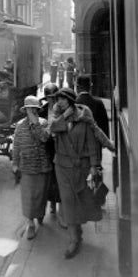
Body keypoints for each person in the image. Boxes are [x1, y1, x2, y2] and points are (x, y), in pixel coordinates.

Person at [50, 87, 102, 259]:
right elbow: (52, 129)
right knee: (68, 202)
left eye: (63, 99)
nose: (59, 102)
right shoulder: (58, 117)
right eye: (57, 99)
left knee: (81, 200)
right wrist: (64, 116)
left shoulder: (83, 117)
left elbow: (92, 143)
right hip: (62, 167)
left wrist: (94, 165)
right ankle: (73, 240)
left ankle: (78, 231)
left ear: (71, 100)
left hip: (81, 166)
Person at [12, 95, 53, 240]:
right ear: (25, 110)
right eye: (30, 109)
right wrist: (15, 164)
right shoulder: (19, 126)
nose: (32, 111)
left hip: (43, 167)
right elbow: (16, 146)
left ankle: (40, 214)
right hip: (27, 167)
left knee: (41, 196)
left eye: (35, 109)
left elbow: (44, 138)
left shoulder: (44, 123)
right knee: (28, 197)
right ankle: (30, 223)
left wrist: (36, 124)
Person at [38, 83, 62, 222]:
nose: (51, 100)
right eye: (49, 97)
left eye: (54, 97)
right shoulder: (42, 111)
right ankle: (51, 205)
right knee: (48, 179)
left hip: (60, 149)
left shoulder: (64, 110)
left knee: (58, 179)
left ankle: (58, 206)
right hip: (47, 150)